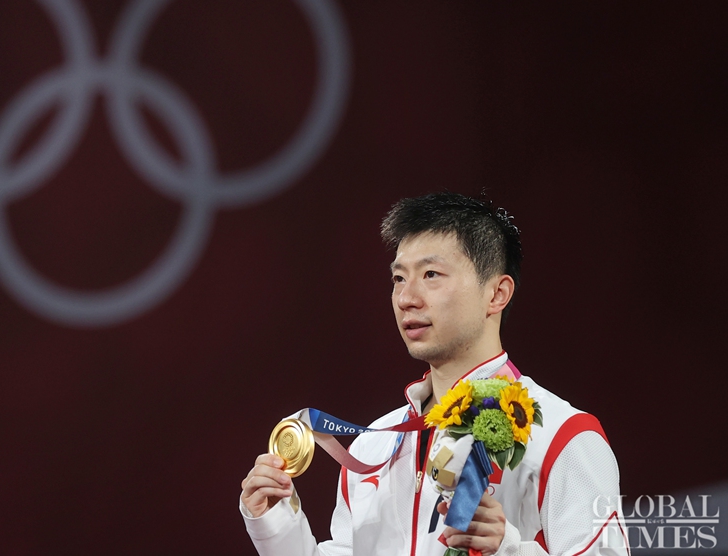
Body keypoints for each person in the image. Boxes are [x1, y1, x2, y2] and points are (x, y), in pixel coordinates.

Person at [240, 192, 627, 556]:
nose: (407, 298)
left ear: (496, 294)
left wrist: (507, 548)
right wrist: (277, 526)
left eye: (431, 274)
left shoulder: (563, 437)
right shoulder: (373, 447)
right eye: (399, 278)